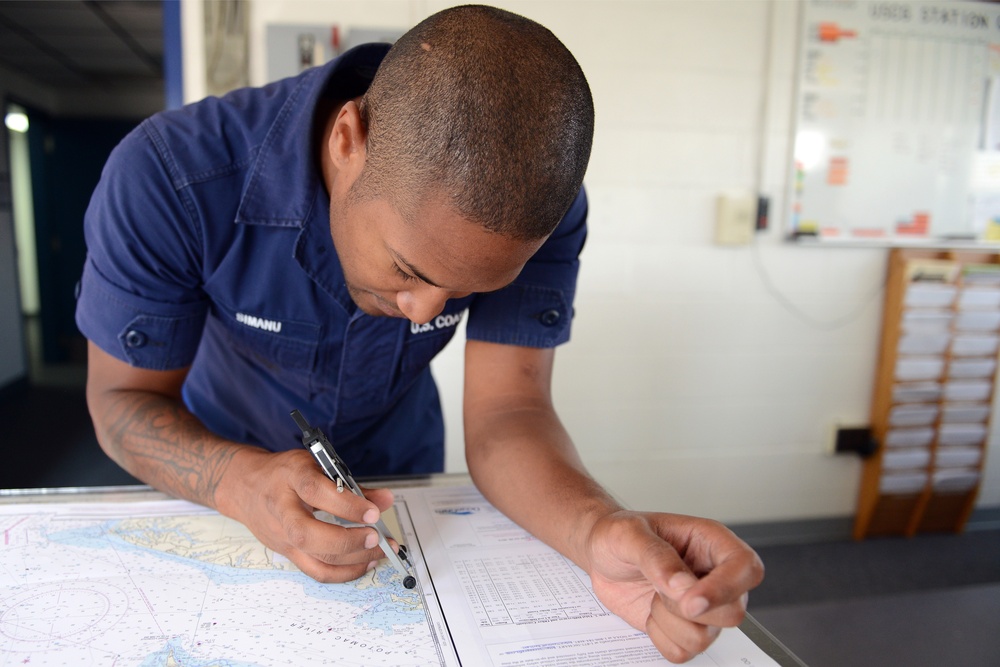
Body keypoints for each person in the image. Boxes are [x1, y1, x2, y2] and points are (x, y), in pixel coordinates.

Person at [76, 5, 763, 663]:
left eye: (467, 293)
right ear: (347, 141)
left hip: (406, 476)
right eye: (406, 269)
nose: (421, 310)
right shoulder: (167, 177)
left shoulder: (533, 212)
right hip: (219, 472)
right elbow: (120, 403)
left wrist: (598, 531)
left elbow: (509, 412)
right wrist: (236, 482)